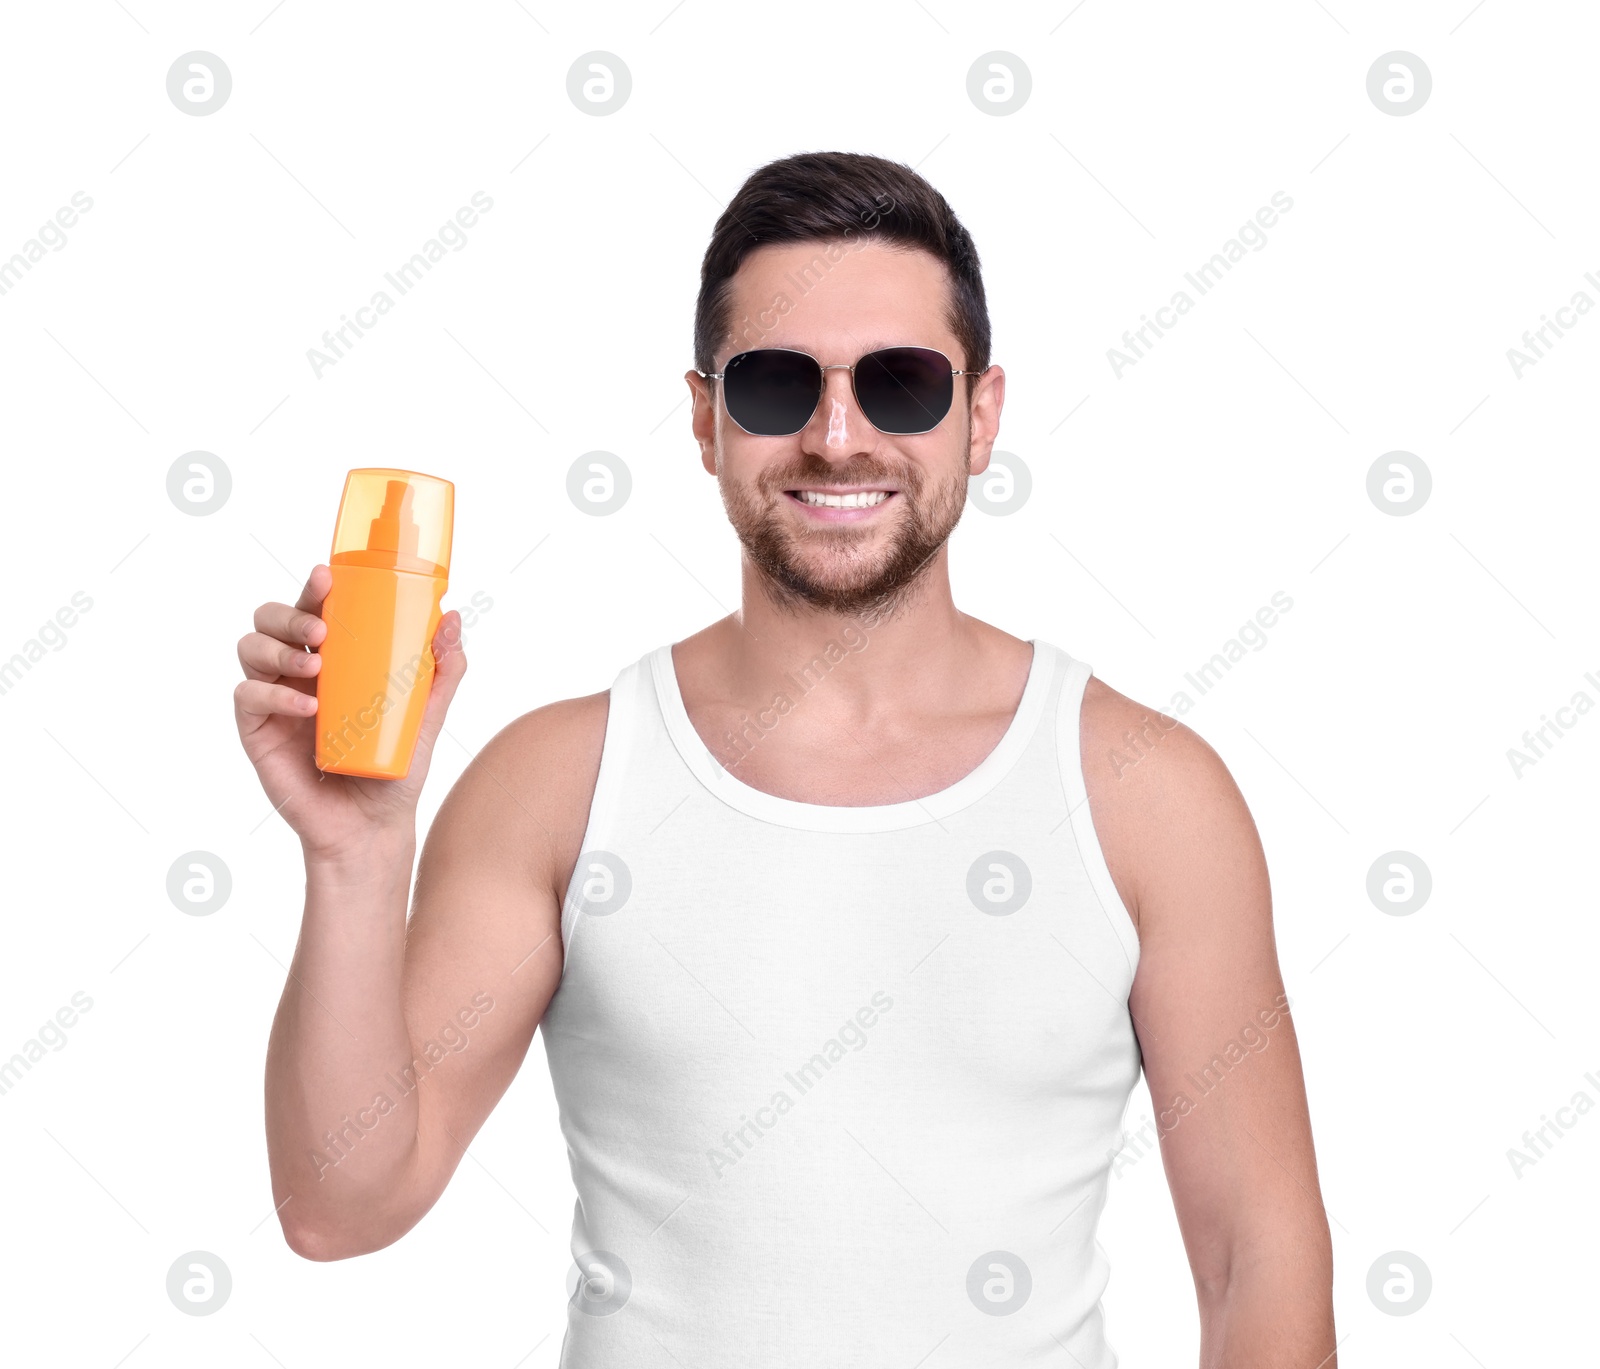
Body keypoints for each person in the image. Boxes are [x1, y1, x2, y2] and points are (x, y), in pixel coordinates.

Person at [236, 150, 1335, 1366]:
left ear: (981, 415)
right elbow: (339, 1204)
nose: (835, 434)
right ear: (706, 420)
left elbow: (1258, 1256)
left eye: (902, 383)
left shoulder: (1145, 794)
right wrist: (354, 854)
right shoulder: (558, 784)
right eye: (774, 385)